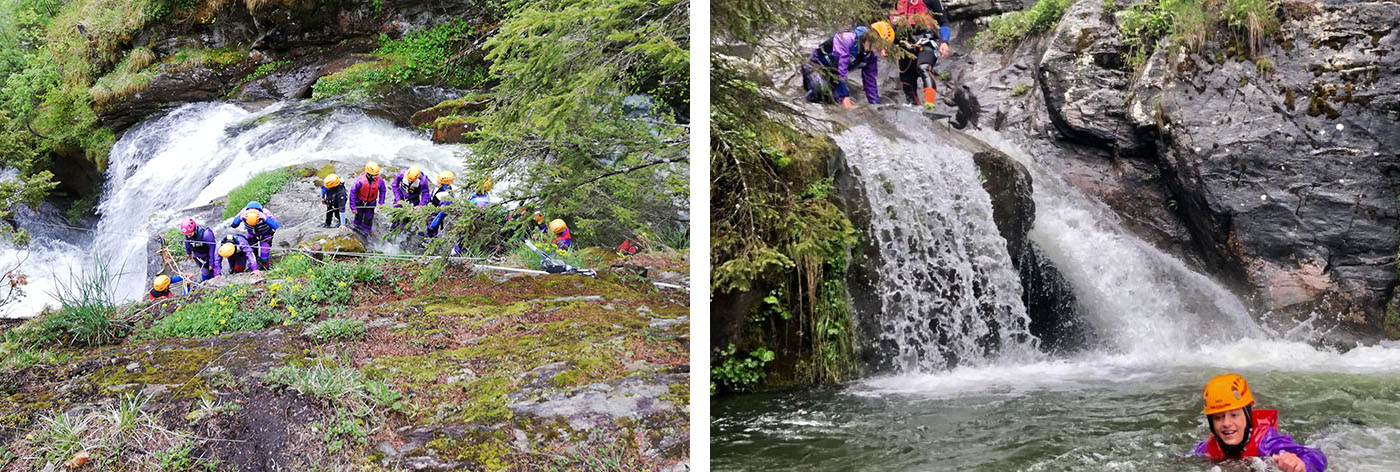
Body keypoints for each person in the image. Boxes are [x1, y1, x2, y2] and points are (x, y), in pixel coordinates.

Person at [1192, 374, 1327, 472]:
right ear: (1211, 423)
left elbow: (1316, 456)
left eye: (1234, 415)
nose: (1226, 423)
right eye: (1218, 418)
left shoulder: (1267, 442)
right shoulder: (1205, 449)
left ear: (1247, 416)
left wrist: (1301, 464)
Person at [802, 21, 895, 108]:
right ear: (874, 37)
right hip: (815, 67)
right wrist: (845, 96)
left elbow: (870, 81)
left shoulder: (870, 55)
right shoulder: (847, 39)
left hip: (832, 77)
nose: (883, 50)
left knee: (835, 101)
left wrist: (875, 105)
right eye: (883, 45)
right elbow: (839, 69)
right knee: (821, 91)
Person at [891, 0, 952, 106]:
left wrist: (945, 42)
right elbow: (893, 26)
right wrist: (887, 45)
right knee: (906, 80)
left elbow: (944, 22)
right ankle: (913, 108)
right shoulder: (899, 2)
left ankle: (929, 105)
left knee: (924, 68)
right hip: (905, 45)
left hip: (926, 42)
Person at [348, 162, 387, 235]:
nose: (376, 176)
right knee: (358, 216)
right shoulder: (359, 181)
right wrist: (353, 207)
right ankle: (356, 230)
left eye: (377, 174)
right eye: (374, 175)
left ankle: (366, 232)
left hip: (371, 202)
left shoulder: (380, 180)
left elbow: (383, 190)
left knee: (368, 218)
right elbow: (353, 192)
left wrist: (381, 203)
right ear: (368, 174)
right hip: (360, 201)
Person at [426, 171, 454, 239]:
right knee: (428, 224)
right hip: (432, 210)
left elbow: (441, 213)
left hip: (436, 215)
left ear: (444, 185)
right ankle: (427, 234)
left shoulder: (446, 196)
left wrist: (433, 225)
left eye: (438, 182)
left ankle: (429, 241)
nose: (436, 183)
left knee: (432, 230)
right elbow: (432, 196)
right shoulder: (438, 188)